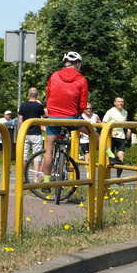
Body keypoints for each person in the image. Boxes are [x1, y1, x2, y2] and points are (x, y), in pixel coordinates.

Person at [43, 51, 89, 186]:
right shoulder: (81, 79)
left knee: (49, 148)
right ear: (78, 64)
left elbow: (49, 94)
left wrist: (51, 110)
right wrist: (77, 114)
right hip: (72, 117)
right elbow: (83, 104)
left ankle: (46, 183)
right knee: (93, 132)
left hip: (53, 117)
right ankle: (110, 154)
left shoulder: (54, 75)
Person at [18, 88, 47, 182]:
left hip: (25, 133)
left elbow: (20, 121)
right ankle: (36, 177)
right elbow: (45, 117)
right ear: (37, 95)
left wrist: (23, 130)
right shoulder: (39, 106)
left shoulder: (23, 106)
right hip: (36, 133)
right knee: (37, 156)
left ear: (28, 94)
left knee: (24, 155)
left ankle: (22, 177)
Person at [102, 96, 130, 178]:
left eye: (122, 102)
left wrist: (128, 130)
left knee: (121, 157)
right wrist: (112, 131)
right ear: (115, 103)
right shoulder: (110, 112)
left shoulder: (125, 112)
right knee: (109, 159)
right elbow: (103, 123)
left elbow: (124, 123)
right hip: (111, 137)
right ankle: (105, 178)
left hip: (121, 137)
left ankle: (118, 178)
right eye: (119, 101)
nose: (121, 103)